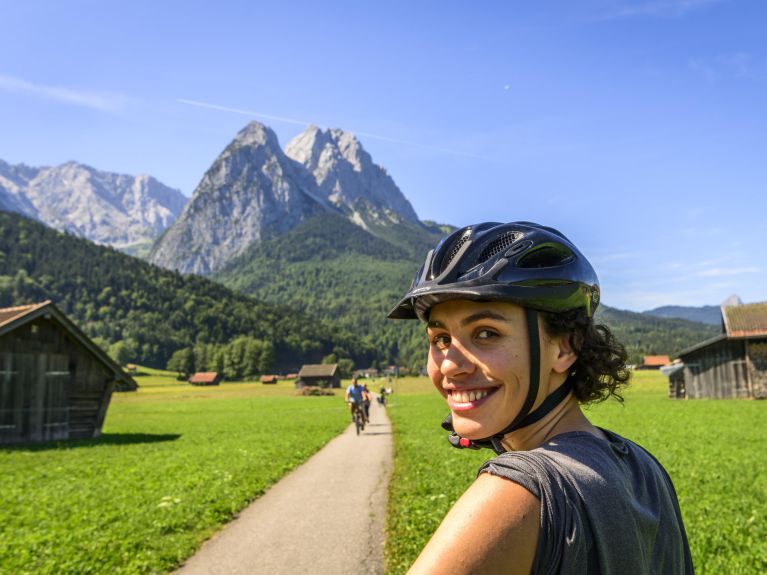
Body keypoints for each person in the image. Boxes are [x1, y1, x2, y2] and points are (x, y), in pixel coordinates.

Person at [388, 221, 693, 574]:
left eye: (485, 333)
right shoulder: (644, 468)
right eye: (440, 339)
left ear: (566, 346)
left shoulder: (517, 493)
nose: (450, 366)